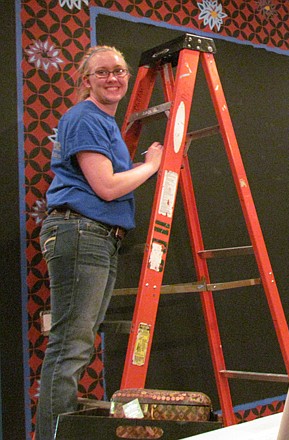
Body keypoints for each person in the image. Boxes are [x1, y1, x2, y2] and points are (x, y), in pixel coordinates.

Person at [35, 46, 164, 440]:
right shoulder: (86, 118)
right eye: (103, 72)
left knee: (76, 344)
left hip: (94, 237)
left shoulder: (103, 123)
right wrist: (151, 166)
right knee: (70, 346)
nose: (114, 78)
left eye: (120, 71)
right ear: (85, 80)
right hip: (81, 233)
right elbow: (106, 187)